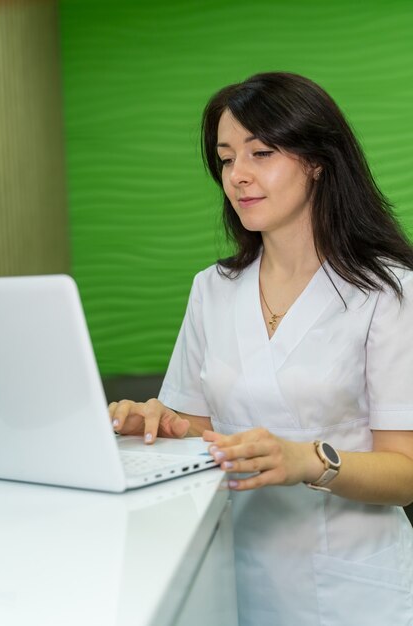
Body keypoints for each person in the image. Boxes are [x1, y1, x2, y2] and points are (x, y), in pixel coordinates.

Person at [109, 72, 413, 625]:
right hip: (225, 569)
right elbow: (195, 430)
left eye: (261, 152)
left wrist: (306, 460)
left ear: (318, 161)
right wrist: (156, 423)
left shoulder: (386, 292)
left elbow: (407, 471)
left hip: (350, 588)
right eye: (226, 159)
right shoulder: (213, 289)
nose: (237, 176)